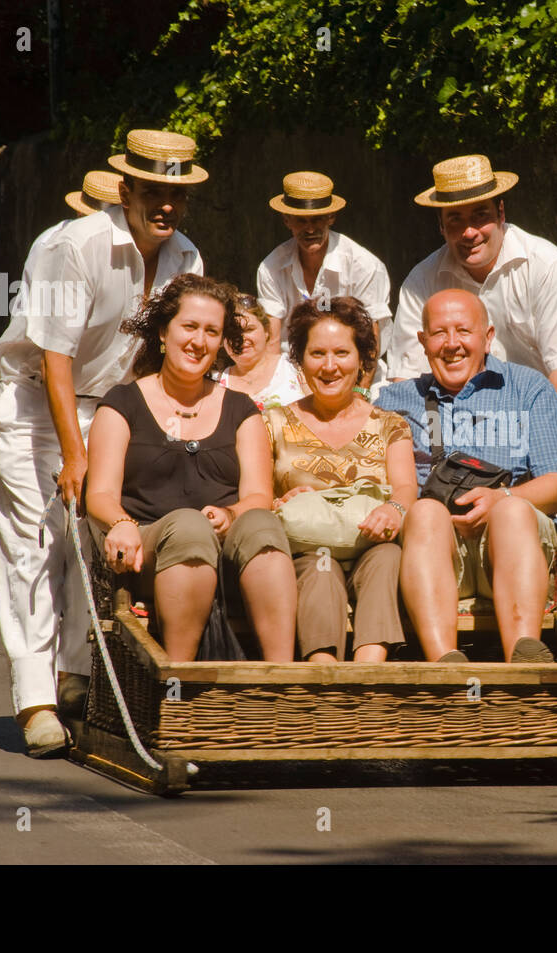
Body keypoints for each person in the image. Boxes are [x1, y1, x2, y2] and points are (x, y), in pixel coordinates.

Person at [0, 129, 207, 757]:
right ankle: (35, 703)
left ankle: (76, 678)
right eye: (154, 191)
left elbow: (160, 354)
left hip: (109, 405)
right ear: (126, 189)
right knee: (36, 544)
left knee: (100, 537)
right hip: (31, 402)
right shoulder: (70, 245)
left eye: (178, 194)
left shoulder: (186, 257)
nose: (166, 205)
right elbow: (56, 357)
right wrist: (75, 457)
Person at [388, 154, 557, 652]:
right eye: (455, 220)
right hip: (459, 424)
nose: (469, 231)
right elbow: (404, 389)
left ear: (502, 212)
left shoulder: (551, 267)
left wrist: (520, 476)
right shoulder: (421, 280)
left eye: (480, 216)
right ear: (441, 223)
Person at [85, 274, 297, 663]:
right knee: (187, 527)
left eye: (212, 331)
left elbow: (258, 495)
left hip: (227, 547)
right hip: (147, 546)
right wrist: (121, 523)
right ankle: (178, 682)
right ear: (164, 332)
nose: (199, 341)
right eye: (190, 327)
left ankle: (278, 678)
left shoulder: (241, 409)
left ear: (221, 342)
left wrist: (232, 513)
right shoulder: (122, 404)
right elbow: (98, 494)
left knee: (262, 523)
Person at [377, 289, 557, 663]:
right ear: (422, 342)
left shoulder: (529, 388)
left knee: (511, 511)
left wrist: (501, 497)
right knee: (425, 512)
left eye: (463, 331)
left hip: (511, 548)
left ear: (487, 338)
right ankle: (446, 662)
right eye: (439, 333)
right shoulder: (393, 401)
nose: (451, 344)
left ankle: (523, 655)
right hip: (432, 552)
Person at [265, 296, 416, 663]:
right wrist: (277, 502)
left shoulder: (390, 425)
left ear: (363, 360)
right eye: (317, 354)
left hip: (371, 543)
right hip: (307, 546)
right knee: (320, 570)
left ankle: (368, 677)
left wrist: (394, 509)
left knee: (386, 559)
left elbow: (407, 487)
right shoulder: (271, 423)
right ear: (300, 361)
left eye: (342, 354)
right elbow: (254, 495)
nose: (329, 366)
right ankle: (324, 679)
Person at [256, 171, 393, 391]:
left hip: (354, 375)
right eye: (301, 220)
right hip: (291, 376)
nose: (310, 229)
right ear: (286, 220)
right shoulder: (271, 267)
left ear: (332, 217)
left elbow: (371, 338)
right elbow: (271, 340)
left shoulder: (364, 265)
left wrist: (361, 392)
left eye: (317, 219)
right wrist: (273, 393)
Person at [216, 294, 308, 408]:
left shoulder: (295, 368)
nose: (241, 338)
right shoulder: (215, 383)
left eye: (249, 329)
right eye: (232, 332)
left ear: (266, 331)